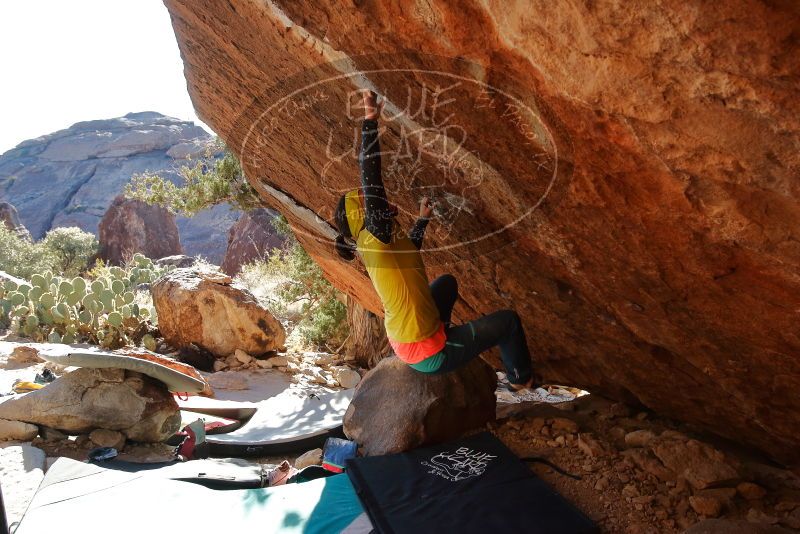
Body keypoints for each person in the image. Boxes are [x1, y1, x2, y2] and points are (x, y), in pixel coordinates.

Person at [333, 90, 537, 390]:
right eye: (367, 199)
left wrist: (422, 219)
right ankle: (522, 380)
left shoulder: (383, 239)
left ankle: (441, 332)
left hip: (405, 335)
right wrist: (370, 121)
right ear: (363, 212)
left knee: (447, 284)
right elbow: (370, 175)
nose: (376, 197)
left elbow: (411, 252)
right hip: (425, 352)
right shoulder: (374, 236)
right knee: (507, 322)